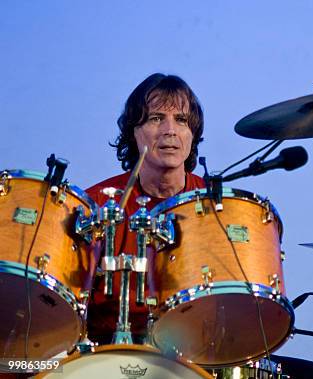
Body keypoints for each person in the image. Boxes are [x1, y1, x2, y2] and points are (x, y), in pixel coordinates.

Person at [85, 73, 205, 343]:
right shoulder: (97, 204)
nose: (170, 130)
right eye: (156, 118)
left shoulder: (213, 207)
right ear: (134, 132)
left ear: (192, 134)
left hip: (194, 347)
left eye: (182, 120)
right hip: (105, 350)